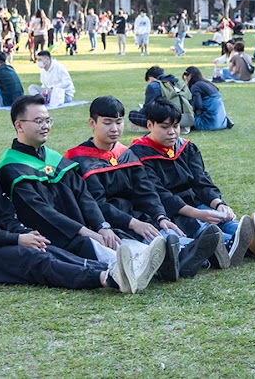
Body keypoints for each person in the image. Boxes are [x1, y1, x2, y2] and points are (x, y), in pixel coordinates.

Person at [0, 108, 144, 293]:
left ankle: (113, 267)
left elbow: (3, 213)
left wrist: (23, 233)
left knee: (44, 246)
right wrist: (15, 238)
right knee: (30, 258)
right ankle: (106, 277)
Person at [0, 95, 166, 290]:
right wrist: (85, 231)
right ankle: (132, 265)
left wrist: (101, 225)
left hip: (83, 227)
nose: (45, 126)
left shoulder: (53, 159)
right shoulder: (11, 169)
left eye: (47, 120)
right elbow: (41, 212)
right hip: (56, 233)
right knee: (88, 244)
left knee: (112, 237)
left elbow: (84, 195)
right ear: (19, 125)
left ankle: (146, 260)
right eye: (38, 121)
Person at [132, 98, 255, 266]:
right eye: (165, 127)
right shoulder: (139, 154)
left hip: (196, 203)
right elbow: (157, 194)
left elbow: (201, 180)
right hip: (168, 211)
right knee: (202, 226)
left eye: (176, 126)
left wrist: (218, 204)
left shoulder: (186, 147)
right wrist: (196, 213)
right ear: (149, 125)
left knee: (224, 221)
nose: (172, 132)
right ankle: (242, 245)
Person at [64, 96, 220, 280]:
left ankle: (185, 253)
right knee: (143, 241)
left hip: (139, 217)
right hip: (109, 221)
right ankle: (181, 257)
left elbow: (145, 191)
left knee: (164, 232)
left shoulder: (125, 154)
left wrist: (160, 216)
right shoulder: (80, 159)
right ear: (92, 123)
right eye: (107, 123)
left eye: (119, 122)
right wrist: (133, 223)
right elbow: (95, 203)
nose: (114, 129)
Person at [129, 66, 194, 130]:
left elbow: (147, 109)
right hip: (187, 117)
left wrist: (140, 111)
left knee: (132, 114)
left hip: (165, 120)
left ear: (150, 78)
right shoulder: (178, 83)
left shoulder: (154, 85)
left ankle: (160, 126)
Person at [183, 66, 232, 131]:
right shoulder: (209, 84)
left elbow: (198, 106)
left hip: (209, 124)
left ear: (190, 75)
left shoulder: (196, 86)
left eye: (186, 76)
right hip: (222, 123)